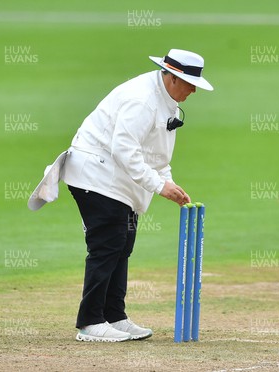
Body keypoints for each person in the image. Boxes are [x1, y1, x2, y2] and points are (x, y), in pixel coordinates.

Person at [62, 49, 213, 342]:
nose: (193, 89)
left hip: (116, 178)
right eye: (188, 82)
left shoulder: (167, 100)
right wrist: (158, 186)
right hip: (94, 173)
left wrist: (168, 182)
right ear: (171, 78)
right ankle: (90, 322)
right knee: (108, 245)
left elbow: (156, 154)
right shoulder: (142, 100)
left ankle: (114, 316)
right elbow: (124, 149)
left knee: (122, 244)